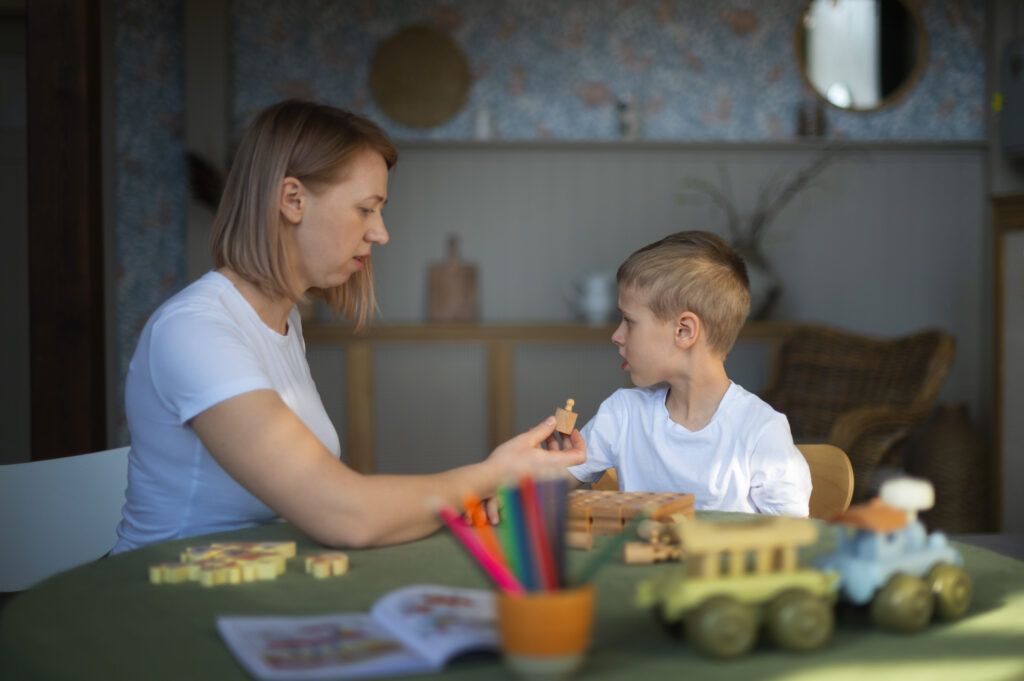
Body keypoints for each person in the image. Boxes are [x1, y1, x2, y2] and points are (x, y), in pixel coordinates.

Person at [112, 100, 584, 554]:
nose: (381, 232)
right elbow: (347, 516)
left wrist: (480, 484)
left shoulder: (281, 320)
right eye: (365, 208)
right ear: (292, 199)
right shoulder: (196, 332)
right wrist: (494, 474)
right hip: (164, 591)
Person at [566, 231, 811, 516]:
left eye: (629, 321)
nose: (616, 336)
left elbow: (793, 538)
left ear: (684, 331)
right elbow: (547, 484)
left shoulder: (761, 431)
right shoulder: (622, 415)